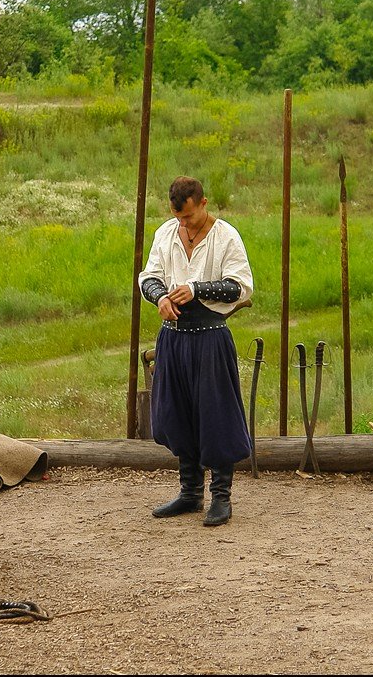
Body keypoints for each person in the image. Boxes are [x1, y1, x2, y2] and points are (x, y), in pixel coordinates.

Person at [138, 176, 254, 527]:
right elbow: (148, 276)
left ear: (202, 203)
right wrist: (160, 297)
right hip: (173, 338)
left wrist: (196, 288)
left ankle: (221, 497)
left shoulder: (226, 236)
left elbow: (239, 286)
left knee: (215, 416)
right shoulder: (167, 233)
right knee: (178, 414)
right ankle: (190, 493)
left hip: (210, 338)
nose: (183, 223)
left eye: (188, 216)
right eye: (178, 217)